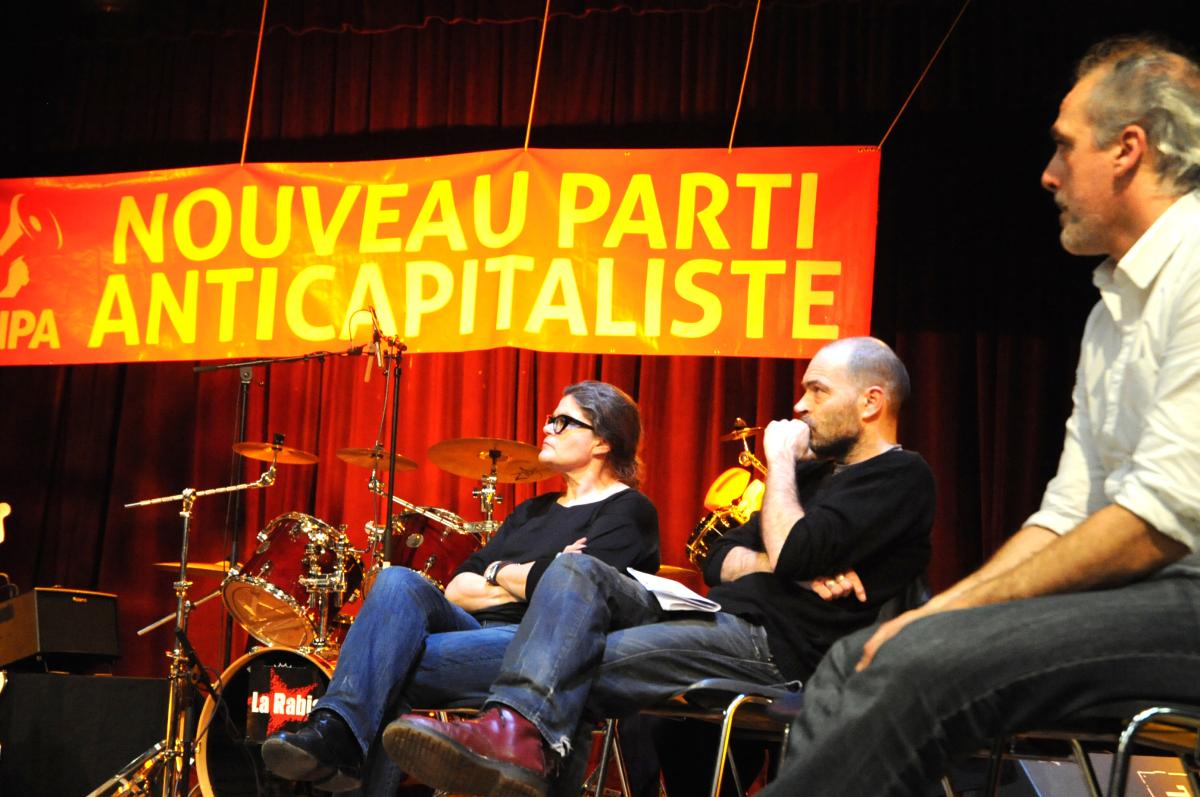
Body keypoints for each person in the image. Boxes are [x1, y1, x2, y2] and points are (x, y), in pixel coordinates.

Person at [749, 35, 1200, 796]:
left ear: (1128, 150)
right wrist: (941, 610)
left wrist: (945, 622)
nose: (1049, 173)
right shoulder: (1110, 311)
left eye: (1065, 146)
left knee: (921, 662)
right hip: (1143, 595)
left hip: (1185, 597)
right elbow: (1066, 514)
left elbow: (1156, 517)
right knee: (857, 655)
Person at [379, 336, 936, 797]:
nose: (800, 406)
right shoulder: (811, 481)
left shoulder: (899, 477)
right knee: (575, 575)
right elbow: (718, 557)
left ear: (870, 402)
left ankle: (501, 733)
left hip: (770, 647)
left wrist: (782, 468)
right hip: (711, 618)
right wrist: (783, 562)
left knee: (567, 661)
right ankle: (510, 738)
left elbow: (790, 550)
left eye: (817, 390)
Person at [260, 380, 660, 793]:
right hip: (473, 632)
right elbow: (456, 589)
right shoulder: (532, 511)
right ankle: (338, 729)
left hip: (539, 648)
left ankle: (339, 733)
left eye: (563, 422)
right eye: (549, 419)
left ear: (602, 442)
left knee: (384, 667)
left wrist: (504, 573)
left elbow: (573, 591)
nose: (547, 429)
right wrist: (519, 572)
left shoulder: (628, 510)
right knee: (397, 579)